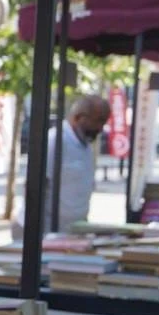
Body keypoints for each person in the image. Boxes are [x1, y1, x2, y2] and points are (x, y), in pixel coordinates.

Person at [12, 95, 110, 240]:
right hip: (45, 232)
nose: (101, 128)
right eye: (98, 121)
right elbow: (34, 188)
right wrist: (39, 235)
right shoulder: (54, 142)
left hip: (70, 231)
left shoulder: (85, 146)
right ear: (79, 117)